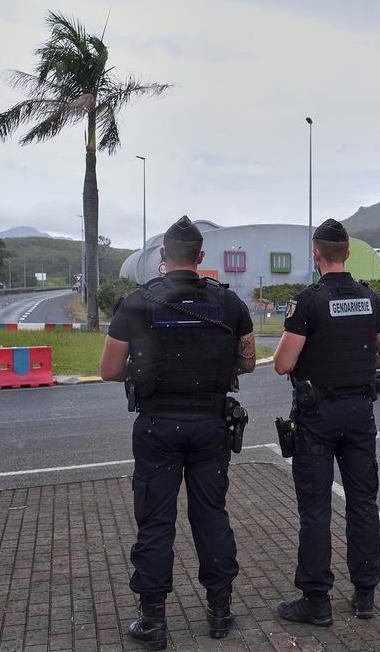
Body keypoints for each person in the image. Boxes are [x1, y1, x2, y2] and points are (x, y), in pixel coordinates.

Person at [100, 215, 257, 649]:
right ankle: (220, 612)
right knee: (211, 516)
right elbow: (247, 361)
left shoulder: (135, 303)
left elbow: (109, 369)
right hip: (210, 425)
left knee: (155, 522)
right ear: (201, 258)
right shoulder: (229, 304)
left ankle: (153, 623)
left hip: (156, 427)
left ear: (163, 258)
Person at [272, 218, 380, 626]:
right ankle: (365, 596)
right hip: (360, 414)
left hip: (317, 417)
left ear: (316, 254)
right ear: (347, 253)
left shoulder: (307, 302)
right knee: (363, 504)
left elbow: (283, 364)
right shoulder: (372, 300)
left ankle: (317, 601)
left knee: (316, 509)